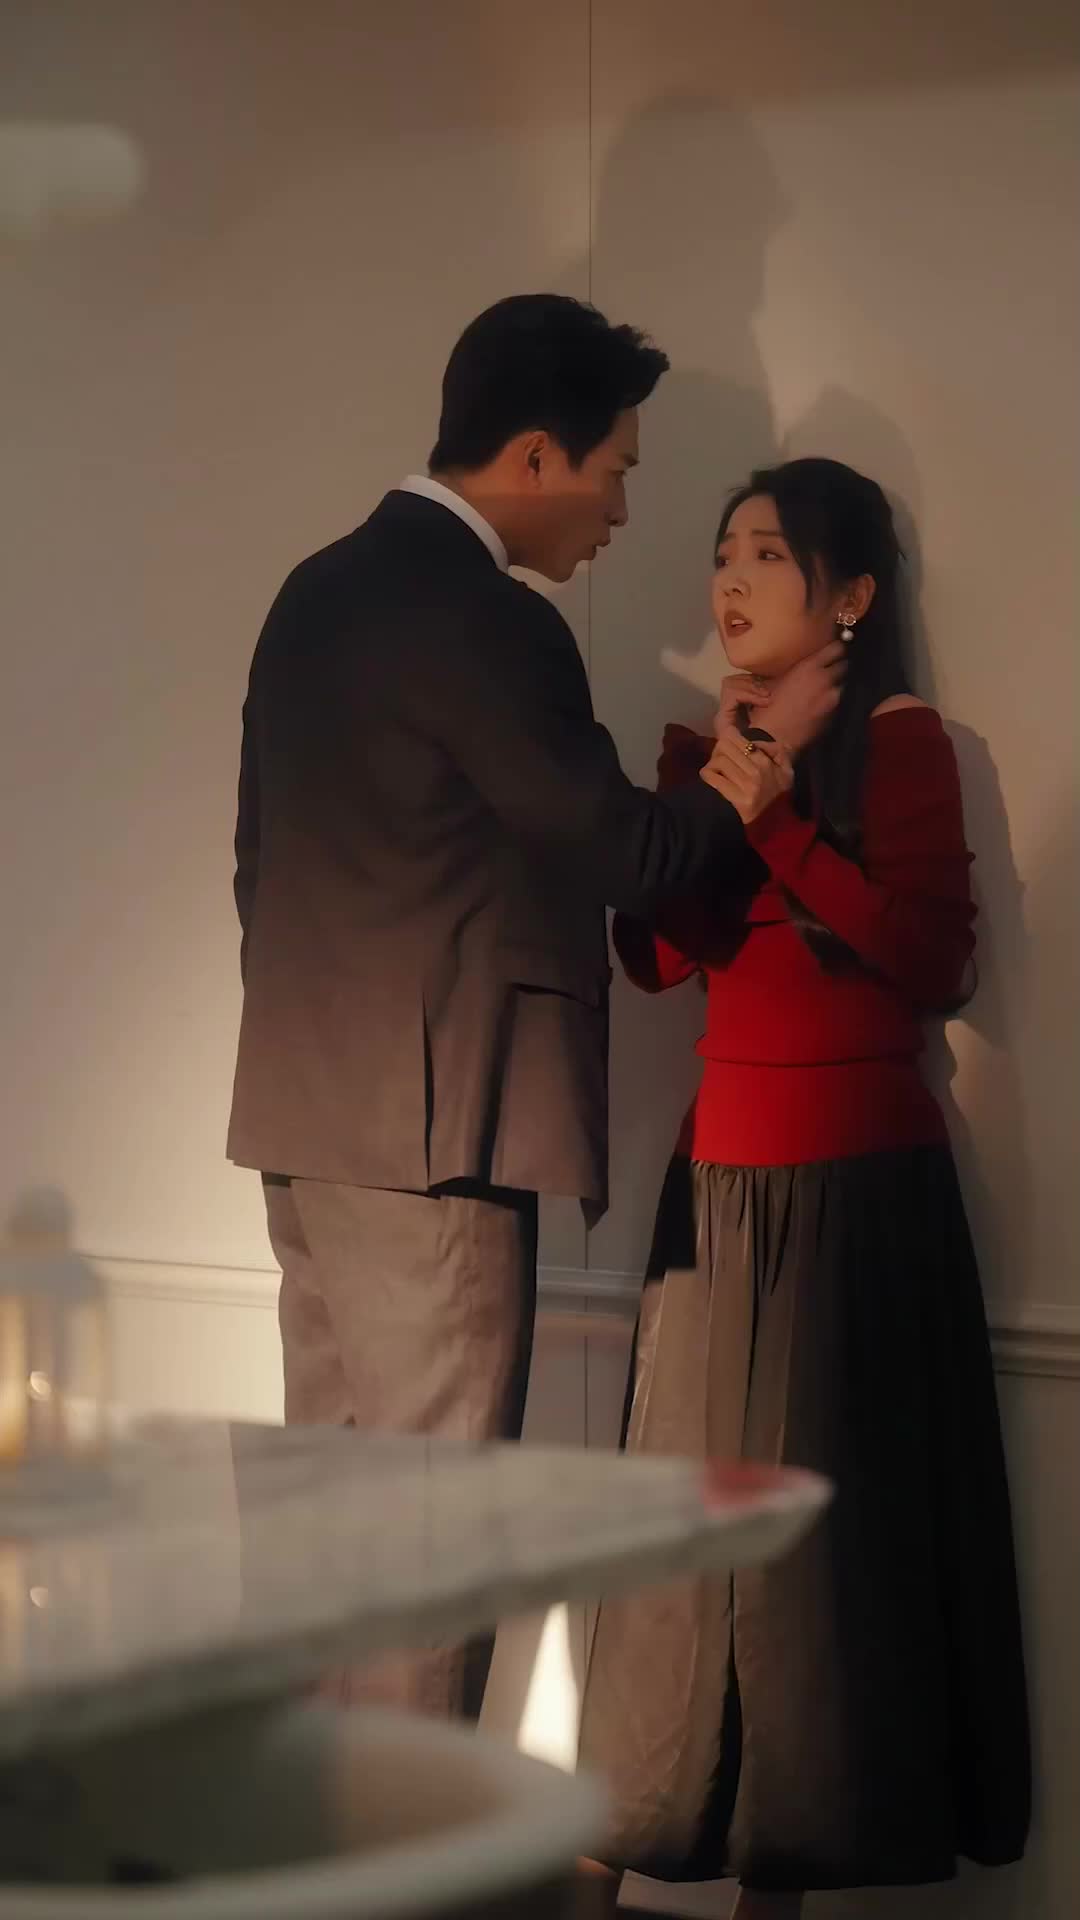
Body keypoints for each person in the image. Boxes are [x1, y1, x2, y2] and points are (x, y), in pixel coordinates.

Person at [226, 298, 841, 1719]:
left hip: (306, 1125)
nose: (621, 510)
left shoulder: (314, 589)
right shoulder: (491, 620)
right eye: (616, 471)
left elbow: (260, 864)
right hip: (438, 1138)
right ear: (536, 456)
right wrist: (754, 768)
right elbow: (626, 852)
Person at [578, 458, 1030, 1915]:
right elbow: (656, 960)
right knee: (683, 1571)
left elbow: (932, 961)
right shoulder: (712, 743)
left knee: (825, 1586)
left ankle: (789, 1880)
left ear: (851, 595)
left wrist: (779, 818)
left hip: (859, 1200)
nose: (731, 577)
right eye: (725, 551)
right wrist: (725, 789)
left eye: (769, 553)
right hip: (718, 1189)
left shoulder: (903, 742)